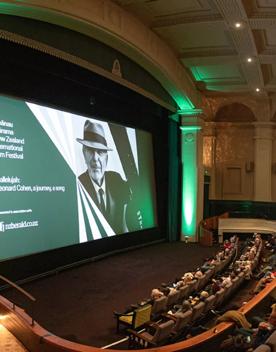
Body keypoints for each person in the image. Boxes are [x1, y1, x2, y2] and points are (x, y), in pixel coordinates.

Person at [77, 120, 131, 234]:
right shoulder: (78, 186)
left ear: (106, 157)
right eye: (90, 150)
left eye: (100, 152)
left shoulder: (117, 181)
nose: (95, 158)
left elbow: (124, 226)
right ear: (83, 153)